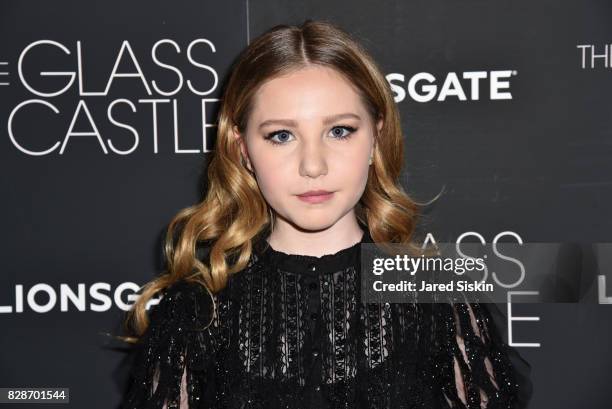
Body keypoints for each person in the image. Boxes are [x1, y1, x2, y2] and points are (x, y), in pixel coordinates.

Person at [119, 19, 531, 409]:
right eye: (281, 135)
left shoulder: (438, 296)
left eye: (339, 131)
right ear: (243, 149)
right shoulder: (198, 308)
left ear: (376, 137)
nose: (312, 165)